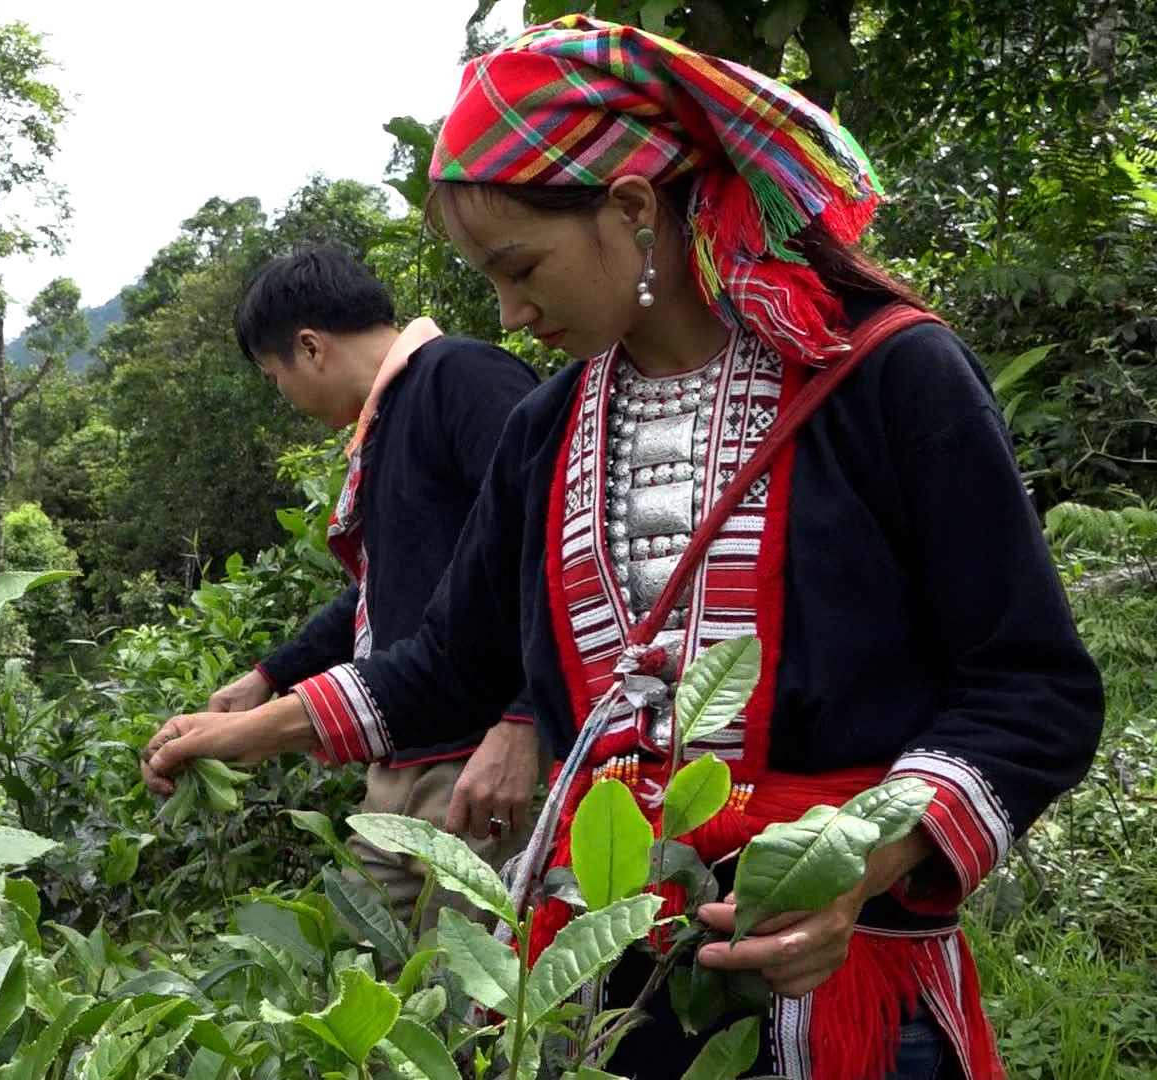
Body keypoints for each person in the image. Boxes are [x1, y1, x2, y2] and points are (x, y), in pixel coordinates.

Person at [141, 16, 1104, 1080]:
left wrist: (859, 860)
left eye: (520, 267)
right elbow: (453, 664)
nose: (511, 311)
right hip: (615, 987)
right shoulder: (545, 431)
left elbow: (1030, 686)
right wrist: (249, 729)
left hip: (847, 991)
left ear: (634, 210)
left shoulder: (884, 376)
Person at [140, 244, 543, 937]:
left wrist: (525, 720)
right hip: (401, 767)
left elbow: (553, 548)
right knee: (364, 971)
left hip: (477, 767)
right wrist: (267, 677)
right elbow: (384, 592)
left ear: (310, 346)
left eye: (277, 379)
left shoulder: (461, 379)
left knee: (472, 989)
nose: (287, 400)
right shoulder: (387, 426)